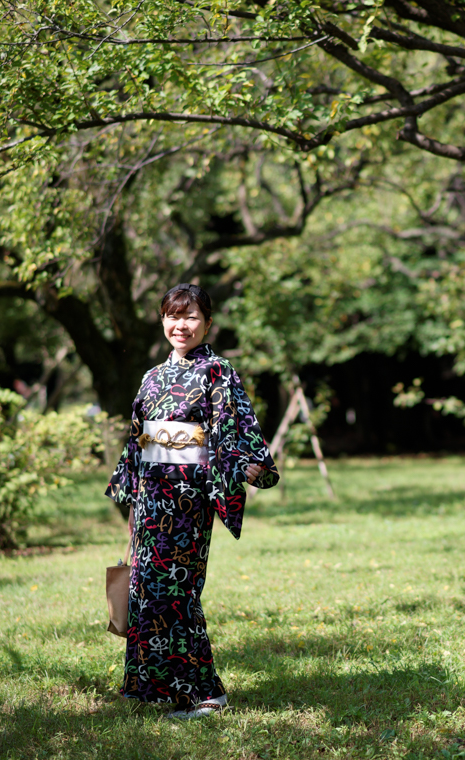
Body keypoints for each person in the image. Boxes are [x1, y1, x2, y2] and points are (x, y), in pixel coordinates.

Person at [106, 283, 280, 719]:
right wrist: (132, 509)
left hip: (188, 502)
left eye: (190, 318)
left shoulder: (217, 372)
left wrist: (247, 467)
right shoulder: (151, 377)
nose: (180, 325)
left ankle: (205, 693)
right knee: (146, 591)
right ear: (162, 319)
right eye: (172, 316)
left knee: (177, 593)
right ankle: (154, 688)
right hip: (151, 501)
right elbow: (137, 444)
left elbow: (232, 429)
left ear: (207, 323)